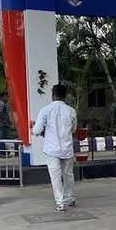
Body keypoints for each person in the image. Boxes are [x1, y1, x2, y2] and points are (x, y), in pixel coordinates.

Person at [32, 84, 77, 212]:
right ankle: (70, 198)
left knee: (55, 176)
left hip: (52, 149)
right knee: (68, 175)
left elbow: (37, 130)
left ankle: (60, 203)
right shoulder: (71, 111)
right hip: (67, 148)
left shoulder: (45, 110)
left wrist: (38, 130)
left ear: (53, 95)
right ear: (65, 95)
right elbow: (73, 129)